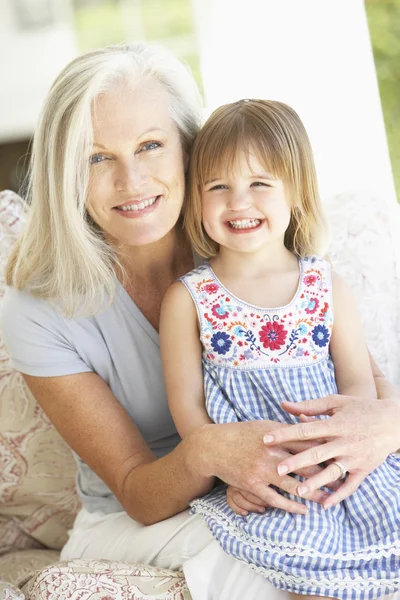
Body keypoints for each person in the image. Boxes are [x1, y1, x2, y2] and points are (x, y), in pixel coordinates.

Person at [0, 42, 399, 600]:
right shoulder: (38, 308)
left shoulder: (250, 241)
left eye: (151, 146)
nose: (131, 180)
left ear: (192, 148)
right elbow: (137, 493)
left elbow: (363, 388)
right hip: (139, 514)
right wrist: (215, 455)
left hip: (288, 478)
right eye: (96, 158)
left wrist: (382, 428)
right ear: (65, 174)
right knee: (273, 555)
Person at [159, 98, 400, 599]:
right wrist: (230, 472)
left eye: (259, 184)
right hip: (266, 479)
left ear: (295, 193)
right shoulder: (189, 297)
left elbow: (357, 384)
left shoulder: (325, 283)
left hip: (344, 462)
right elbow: (188, 409)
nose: (238, 202)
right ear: (196, 201)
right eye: (218, 186)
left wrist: (345, 453)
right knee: (306, 579)